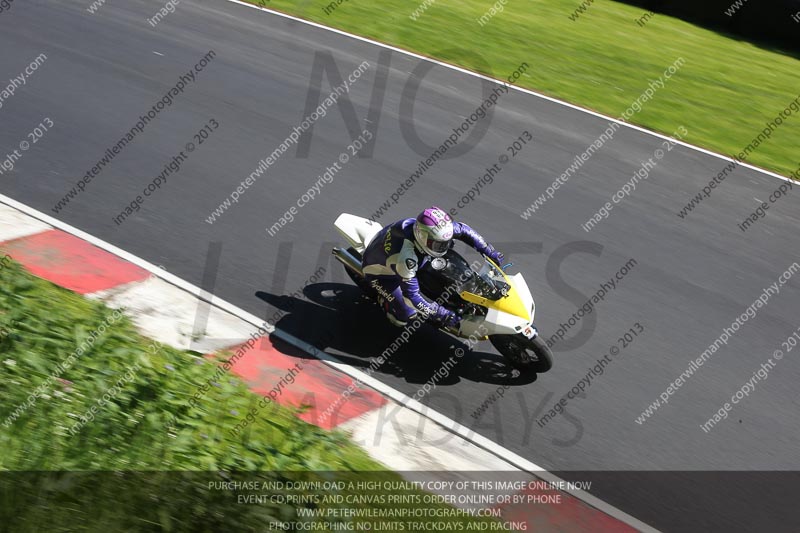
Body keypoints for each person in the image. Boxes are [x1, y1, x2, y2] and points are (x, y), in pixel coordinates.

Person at [361, 206, 504, 328]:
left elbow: (464, 230)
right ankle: (385, 303)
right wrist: (440, 313)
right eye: (439, 244)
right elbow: (411, 297)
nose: (444, 246)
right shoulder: (407, 258)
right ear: (423, 237)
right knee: (405, 315)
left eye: (445, 242)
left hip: (404, 253)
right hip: (381, 274)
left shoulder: (436, 229)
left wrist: (489, 251)